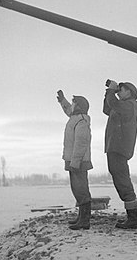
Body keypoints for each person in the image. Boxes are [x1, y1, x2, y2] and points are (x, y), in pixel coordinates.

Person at [103, 80, 137, 229]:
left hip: (119, 148)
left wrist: (112, 91)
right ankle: (132, 217)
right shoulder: (121, 106)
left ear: (130, 92)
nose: (119, 92)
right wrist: (109, 92)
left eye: (122, 90)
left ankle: (134, 219)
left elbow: (114, 104)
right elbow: (107, 108)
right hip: (115, 147)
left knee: (123, 181)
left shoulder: (130, 105)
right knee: (120, 179)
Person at [57, 90, 93, 230]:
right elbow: (68, 111)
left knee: (81, 189)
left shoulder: (82, 120)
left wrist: (76, 162)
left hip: (78, 162)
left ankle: (85, 221)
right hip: (73, 160)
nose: (71, 105)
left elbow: (81, 143)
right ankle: (81, 217)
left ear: (79, 106)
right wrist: (62, 101)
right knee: (77, 189)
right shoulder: (75, 117)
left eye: (73, 103)